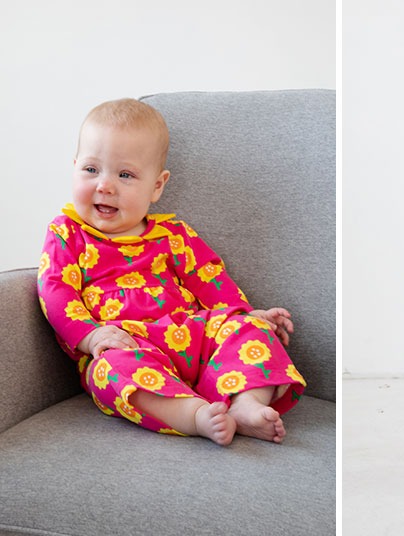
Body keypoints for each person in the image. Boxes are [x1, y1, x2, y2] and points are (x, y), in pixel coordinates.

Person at [38, 98, 306, 447]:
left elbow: (211, 279)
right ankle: (192, 415)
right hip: (128, 345)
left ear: (157, 186)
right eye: (91, 169)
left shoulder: (173, 235)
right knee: (110, 372)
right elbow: (54, 290)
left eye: (125, 175)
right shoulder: (67, 234)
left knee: (251, 329)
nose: (105, 185)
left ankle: (245, 404)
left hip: (194, 337)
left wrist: (244, 314)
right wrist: (90, 337)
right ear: (74, 168)